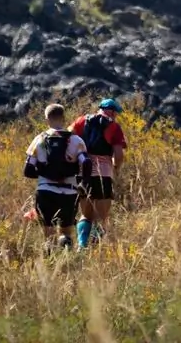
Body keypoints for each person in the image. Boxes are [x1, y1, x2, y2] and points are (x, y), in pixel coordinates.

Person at [24, 103, 90, 252]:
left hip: (45, 191)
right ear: (63, 118)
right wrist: (83, 184)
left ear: (47, 119)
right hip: (69, 192)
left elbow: (28, 170)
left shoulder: (39, 139)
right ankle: (67, 257)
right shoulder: (76, 140)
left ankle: (51, 258)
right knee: (66, 232)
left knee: (49, 234)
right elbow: (86, 162)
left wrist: (46, 174)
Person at [70, 97, 127, 248]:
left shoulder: (81, 121)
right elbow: (119, 155)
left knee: (85, 215)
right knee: (101, 218)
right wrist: (116, 167)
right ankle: (95, 249)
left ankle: (82, 246)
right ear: (112, 112)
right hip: (103, 174)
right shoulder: (114, 127)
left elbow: (68, 139)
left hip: (82, 173)